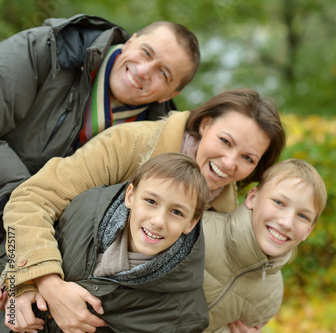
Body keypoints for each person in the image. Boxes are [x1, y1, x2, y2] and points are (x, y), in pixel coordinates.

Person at [2, 88, 286, 332]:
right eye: (225, 141)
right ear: (205, 124)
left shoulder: (225, 216)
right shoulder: (130, 145)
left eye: (248, 158)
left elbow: (187, 300)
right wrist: (31, 283)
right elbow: (30, 199)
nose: (228, 162)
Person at [0, 13, 201, 221]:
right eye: (146, 52)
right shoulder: (47, 49)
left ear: (170, 95)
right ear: (130, 41)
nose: (143, 71)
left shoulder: (157, 144)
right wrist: (26, 200)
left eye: (163, 73)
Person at [4, 152, 210, 332]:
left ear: (190, 223)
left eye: (176, 212)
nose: (158, 221)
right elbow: (20, 239)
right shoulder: (86, 209)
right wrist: (19, 286)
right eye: (151, 201)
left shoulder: (186, 315)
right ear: (130, 196)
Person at [202, 159, 327, 332]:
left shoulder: (271, 296)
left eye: (303, 216)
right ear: (252, 198)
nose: (286, 223)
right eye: (279, 203)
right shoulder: (199, 232)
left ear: (308, 231)